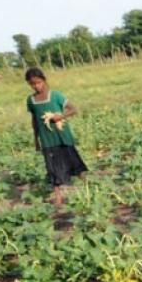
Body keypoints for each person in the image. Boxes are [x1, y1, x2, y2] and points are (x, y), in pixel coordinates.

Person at [25, 67, 88, 205]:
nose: (36, 86)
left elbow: (73, 109)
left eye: (38, 82)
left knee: (73, 160)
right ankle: (58, 196)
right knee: (52, 167)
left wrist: (61, 116)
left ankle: (87, 183)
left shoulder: (55, 95)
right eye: (32, 84)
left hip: (62, 136)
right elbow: (34, 120)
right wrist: (36, 139)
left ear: (44, 80)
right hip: (47, 139)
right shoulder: (31, 100)